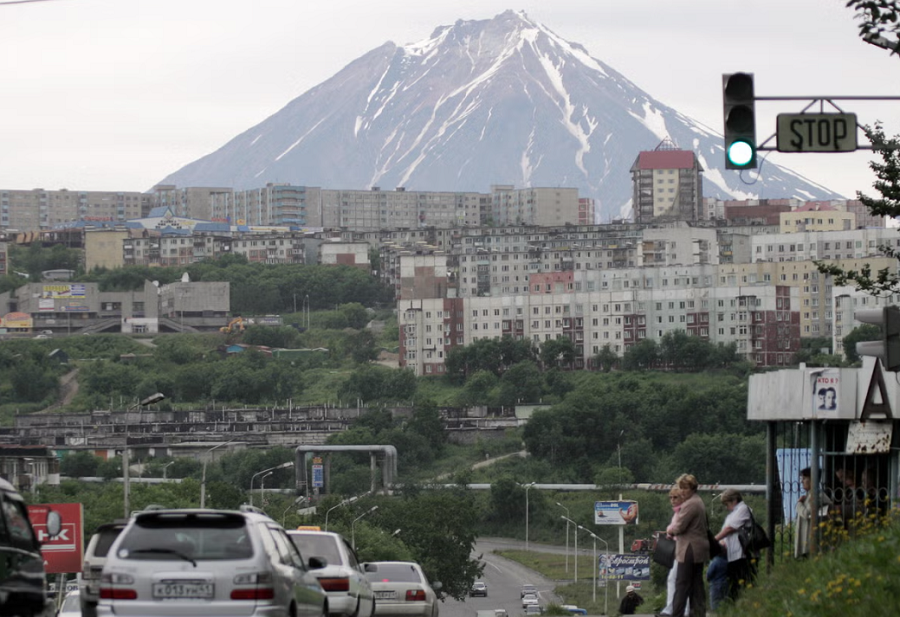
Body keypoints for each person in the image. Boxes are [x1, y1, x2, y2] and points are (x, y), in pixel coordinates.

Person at [666, 474, 708, 617]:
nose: (682, 491)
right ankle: (698, 611)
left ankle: (677, 613)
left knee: (682, 583)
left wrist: (670, 530)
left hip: (689, 548)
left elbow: (679, 527)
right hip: (698, 548)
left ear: (692, 488)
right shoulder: (699, 501)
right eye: (681, 488)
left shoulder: (690, 505)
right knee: (696, 583)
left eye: (685, 488)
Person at [713, 488, 752, 601]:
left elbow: (730, 529)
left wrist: (714, 540)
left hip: (742, 553)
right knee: (734, 584)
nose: (727, 507)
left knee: (741, 583)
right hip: (732, 554)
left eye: (727, 503)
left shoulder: (743, 509)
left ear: (734, 500)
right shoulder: (733, 514)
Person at [660, 488, 689, 617]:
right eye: (670, 498)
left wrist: (670, 531)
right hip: (680, 548)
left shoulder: (684, 511)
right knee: (678, 579)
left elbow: (679, 528)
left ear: (683, 497)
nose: (672, 500)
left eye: (675, 497)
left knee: (676, 579)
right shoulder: (677, 512)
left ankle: (671, 609)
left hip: (686, 548)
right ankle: (680, 609)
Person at [794, 467, 832, 558]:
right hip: (807, 540)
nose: (802, 481)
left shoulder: (817, 496)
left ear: (812, 479)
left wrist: (798, 504)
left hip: (811, 541)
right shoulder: (810, 495)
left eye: (804, 479)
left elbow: (807, 513)